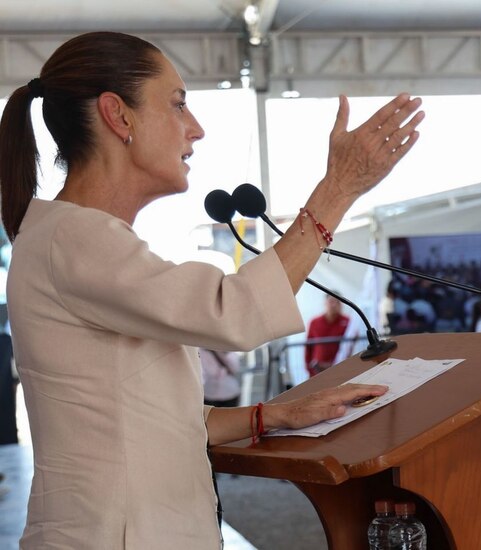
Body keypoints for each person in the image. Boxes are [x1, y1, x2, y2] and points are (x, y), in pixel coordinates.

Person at [0, 31, 422, 549]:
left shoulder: (78, 240)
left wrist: (278, 415)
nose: (195, 129)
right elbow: (234, 314)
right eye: (178, 104)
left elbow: (152, 420)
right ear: (118, 116)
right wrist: (338, 190)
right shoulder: (72, 238)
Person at [305, 295, 351, 376]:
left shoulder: (347, 322)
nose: (334, 305)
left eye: (337, 302)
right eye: (331, 301)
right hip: (318, 370)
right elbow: (308, 347)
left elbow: (351, 345)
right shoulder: (314, 322)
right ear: (325, 303)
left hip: (339, 368)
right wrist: (309, 369)